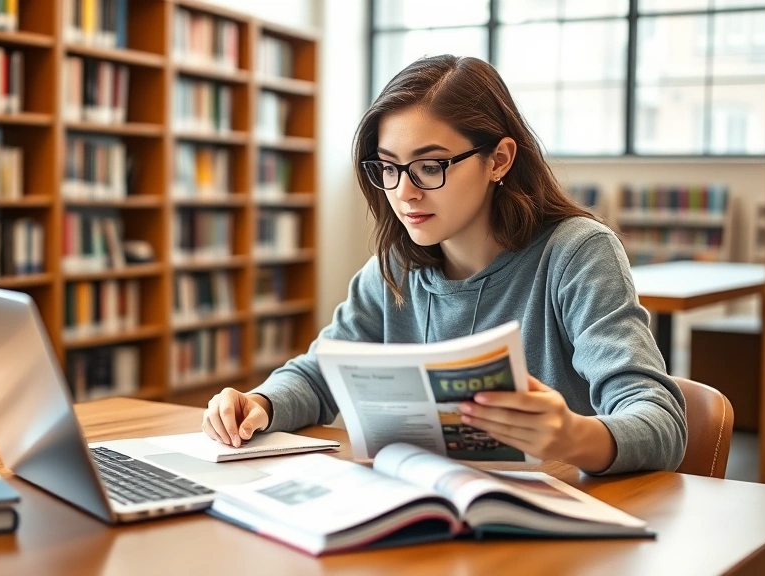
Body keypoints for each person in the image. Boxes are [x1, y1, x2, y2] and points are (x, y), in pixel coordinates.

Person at [201, 55, 686, 475]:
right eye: (388, 167)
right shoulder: (394, 268)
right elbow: (319, 373)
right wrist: (260, 403)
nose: (403, 191)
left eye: (430, 166)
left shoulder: (576, 254)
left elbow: (660, 421)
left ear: (498, 160)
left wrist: (573, 436)